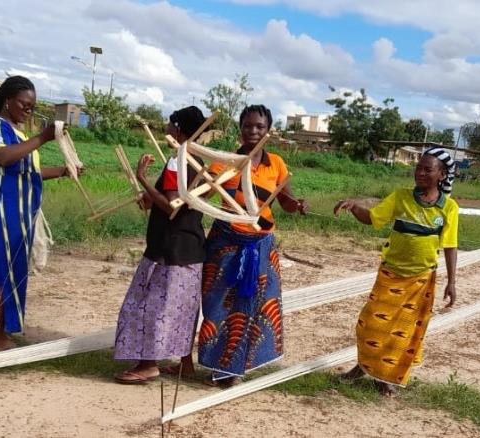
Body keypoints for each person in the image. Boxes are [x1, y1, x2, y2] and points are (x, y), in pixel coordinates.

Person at [197, 104, 308, 386]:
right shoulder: (225, 161)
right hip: (226, 244)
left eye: (259, 126)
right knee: (219, 305)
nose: (253, 131)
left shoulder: (277, 165)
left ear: (268, 130)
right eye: (248, 126)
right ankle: (220, 367)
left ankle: (238, 369)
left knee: (256, 305)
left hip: (261, 245)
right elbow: (204, 194)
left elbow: (285, 201)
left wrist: (297, 205)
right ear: (240, 128)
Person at [334, 148, 459, 396]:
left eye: (428, 169)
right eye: (418, 167)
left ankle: (385, 378)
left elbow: (451, 245)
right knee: (369, 324)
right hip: (390, 274)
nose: (420, 173)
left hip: (421, 280)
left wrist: (452, 281)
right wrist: (353, 207)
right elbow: (372, 218)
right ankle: (362, 367)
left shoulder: (449, 208)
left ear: (442, 174)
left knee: (402, 332)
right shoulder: (401, 197)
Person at [0, 76, 78, 349]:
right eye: (24, 104)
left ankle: (3, 329)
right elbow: (2, 157)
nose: (28, 110)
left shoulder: (18, 135)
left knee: (13, 269)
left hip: (19, 210)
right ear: (7, 100)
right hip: (0, 207)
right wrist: (42, 137)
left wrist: (64, 171)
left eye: (32, 106)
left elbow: (29, 172)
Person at [113, 106, 207, 384]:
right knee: (183, 308)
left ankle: (148, 364)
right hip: (191, 248)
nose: (166, 129)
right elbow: (179, 202)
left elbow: (171, 206)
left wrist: (142, 178)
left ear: (178, 129)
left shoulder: (177, 161)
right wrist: (150, 196)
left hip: (169, 249)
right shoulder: (200, 161)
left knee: (150, 306)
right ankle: (185, 364)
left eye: (169, 124)